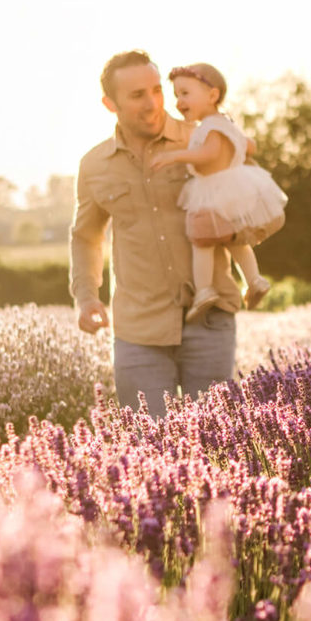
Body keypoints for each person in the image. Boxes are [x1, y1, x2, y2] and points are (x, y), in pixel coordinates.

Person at [69, 50, 242, 417]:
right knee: (149, 451)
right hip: (138, 332)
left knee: (217, 447)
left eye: (156, 90)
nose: (152, 104)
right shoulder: (94, 165)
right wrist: (86, 297)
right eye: (136, 96)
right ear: (109, 104)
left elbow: (251, 205)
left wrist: (236, 230)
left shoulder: (200, 142)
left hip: (209, 320)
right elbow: (86, 236)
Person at [149, 62, 287, 319]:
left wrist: (175, 156)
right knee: (234, 241)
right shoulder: (226, 124)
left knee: (201, 242)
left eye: (185, 93)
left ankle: (204, 291)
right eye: (176, 95)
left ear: (212, 95)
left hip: (213, 191)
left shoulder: (210, 126)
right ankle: (254, 280)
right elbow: (251, 146)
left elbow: (208, 154)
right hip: (234, 190)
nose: (179, 102)